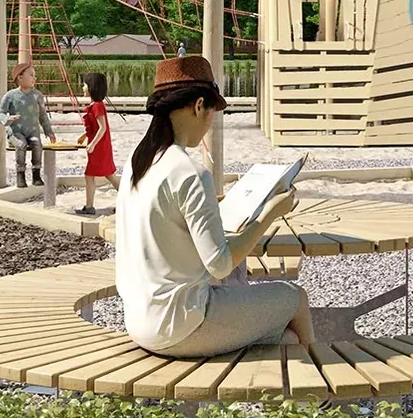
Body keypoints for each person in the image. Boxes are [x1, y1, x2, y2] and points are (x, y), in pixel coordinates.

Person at [116, 55, 314, 358]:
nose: (211, 121)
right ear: (198, 106)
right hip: (181, 324)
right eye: (212, 111)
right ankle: (325, 388)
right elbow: (220, 264)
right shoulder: (189, 172)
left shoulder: (138, 162)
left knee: (287, 340)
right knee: (296, 298)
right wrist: (269, 213)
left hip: (140, 319)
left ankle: (307, 394)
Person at [0, 63, 54, 188]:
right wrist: (7, 119)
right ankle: (20, 174)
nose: (35, 78)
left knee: (37, 144)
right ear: (20, 78)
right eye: (31, 75)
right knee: (21, 144)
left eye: (35, 75)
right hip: (16, 132)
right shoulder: (10, 96)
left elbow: (43, 115)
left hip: (32, 132)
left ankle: (36, 174)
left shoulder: (37, 95)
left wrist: (48, 131)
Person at [80, 72, 115, 216]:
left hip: (99, 147)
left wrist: (93, 144)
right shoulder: (95, 105)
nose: (83, 87)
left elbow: (102, 127)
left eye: (85, 84)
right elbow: (95, 128)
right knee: (109, 174)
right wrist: (84, 136)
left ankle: (89, 207)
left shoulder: (97, 106)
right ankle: (128, 199)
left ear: (91, 88)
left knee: (91, 175)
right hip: (99, 145)